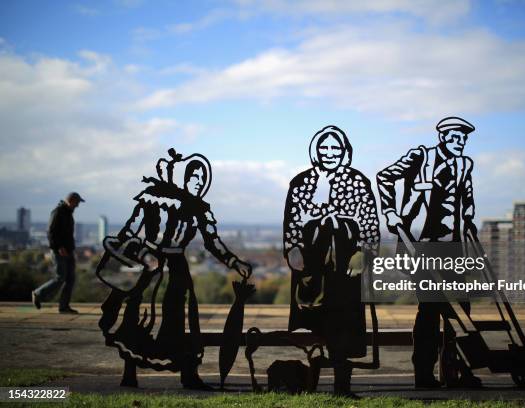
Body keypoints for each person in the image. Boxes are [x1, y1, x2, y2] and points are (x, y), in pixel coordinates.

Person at [96, 150, 252, 390]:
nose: (198, 183)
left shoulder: (199, 209)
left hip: (178, 270)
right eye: (194, 177)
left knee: (183, 321)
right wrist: (141, 254)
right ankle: (129, 373)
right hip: (151, 268)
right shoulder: (153, 199)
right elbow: (130, 232)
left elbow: (213, 242)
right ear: (183, 177)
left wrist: (234, 262)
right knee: (140, 319)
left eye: (202, 179)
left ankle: (189, 375)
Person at [376, 116, 481, 388]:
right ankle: (424, 374)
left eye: (464, 139)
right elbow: (384, 177)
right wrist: (390, 212)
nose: (460, 143)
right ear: (443, 137)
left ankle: (455, 371)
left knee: (461, 307)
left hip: (452, 247)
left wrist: (468, 212)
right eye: (455, 137)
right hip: (419, 245)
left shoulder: (464, 164)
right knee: (431, 308)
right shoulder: (420, 157)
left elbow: (465, 193)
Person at [283, 125, 380, 396]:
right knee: (314, 318)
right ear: (316, 150)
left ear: (344, 151)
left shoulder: (358, 181)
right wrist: (293, 249)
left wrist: (365, 253)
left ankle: (342, 386)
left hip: (347, 259)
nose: (329, 153)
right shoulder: (301, 182)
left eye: (335, 148)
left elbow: (370, 222)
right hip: (312, 259)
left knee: (344, 320)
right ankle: (309, 382)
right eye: (324, 148)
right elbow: (291, 221)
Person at [32, 192, 84, 314]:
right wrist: (59, 247)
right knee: (60, 277)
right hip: (59, 251)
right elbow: (51, 232)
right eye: (77, 203)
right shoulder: (58, 212)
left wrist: (71, 248)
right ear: (71, 201)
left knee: (70, 279)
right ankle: (38, 293)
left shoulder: (67, 213)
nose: (78, 206)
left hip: (69, 250)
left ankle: (64, 307)